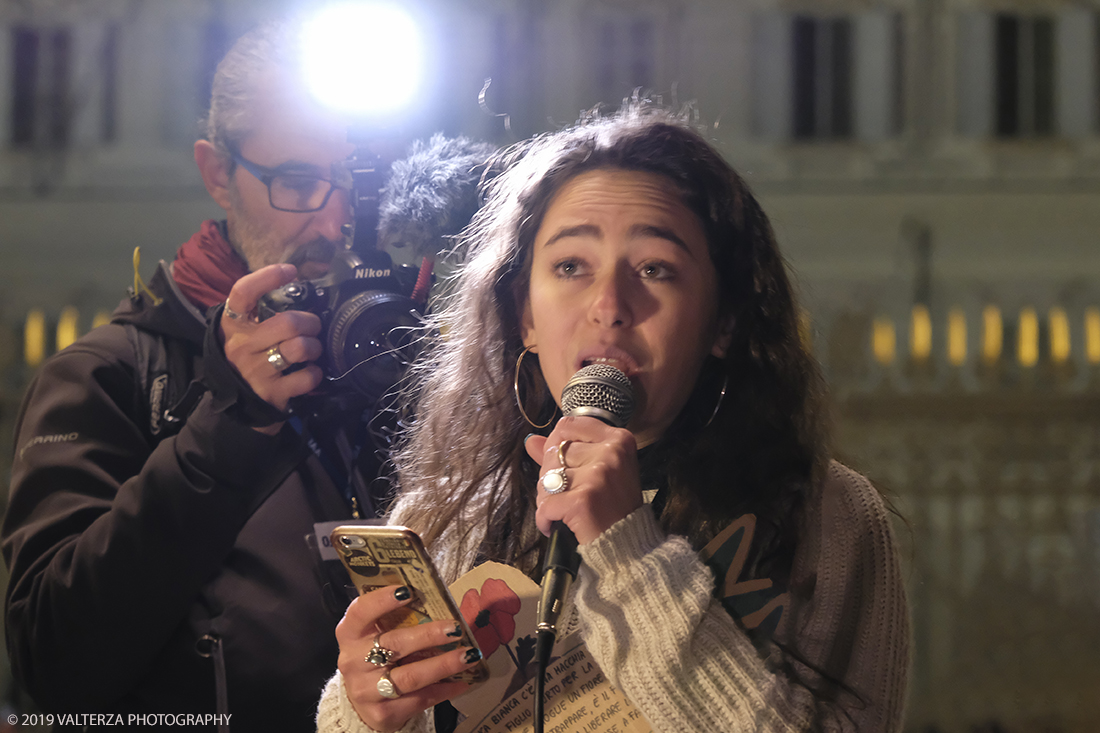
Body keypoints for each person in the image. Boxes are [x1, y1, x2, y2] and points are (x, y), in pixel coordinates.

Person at [315, 107, 910, 733]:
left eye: (655, 269)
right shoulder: (446, 515)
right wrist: (364, 708)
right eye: (571, 266)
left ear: (725, 321)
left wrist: (629, 551)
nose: (608, 307)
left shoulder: (828, 517)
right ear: (525, 315)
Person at [3, 21, 380, 731]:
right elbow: (53, 661)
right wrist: (229, 425)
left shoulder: (400, 364)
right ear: (217, 175)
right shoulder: (108, 375)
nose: (335, 219)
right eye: (297, 182)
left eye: (361, 180)